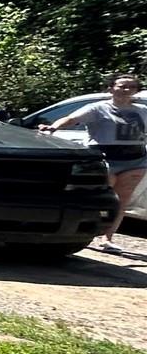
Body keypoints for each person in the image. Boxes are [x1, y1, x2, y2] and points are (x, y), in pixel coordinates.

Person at [40, 73, 144, 253]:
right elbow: (72, 119)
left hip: (135, 159)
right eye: (122, 86)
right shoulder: (97, 108)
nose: (126, 90)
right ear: (111, 88)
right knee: (103, 197)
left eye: (131, 87)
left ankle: (107, 239)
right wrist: (54, 127)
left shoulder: (143, 110)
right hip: (105, 157)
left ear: (136, 91)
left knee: (121, 200)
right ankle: (87, 234)